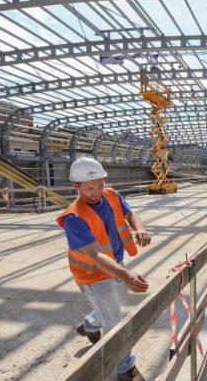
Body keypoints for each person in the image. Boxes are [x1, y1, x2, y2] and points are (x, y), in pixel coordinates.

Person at [57, 157, 151, 381]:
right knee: (114, 322)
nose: (96, 191)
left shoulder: (111, 195)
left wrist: (140, 228)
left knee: (116, 304)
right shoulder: (74, 217)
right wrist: (127, 275)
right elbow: (95, 256)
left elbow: (130, 214)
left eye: (99, 185)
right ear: (75, 186)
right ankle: (125, 368)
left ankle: (90, 324)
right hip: (93, 274)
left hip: (116, 265)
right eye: (89, 188)